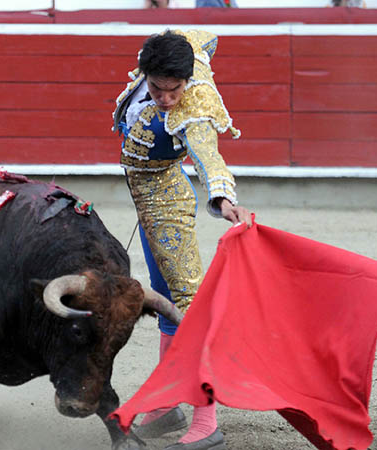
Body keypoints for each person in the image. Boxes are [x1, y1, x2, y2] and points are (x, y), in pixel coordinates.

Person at [113, 30, 252, 450]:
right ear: (146, 72)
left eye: (176, 89)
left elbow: (209, 156)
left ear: (187, 82)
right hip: (146, 201)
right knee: (166, 303)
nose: (167, 98)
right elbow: (204, 37)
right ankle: (167, 400)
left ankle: (206, 420)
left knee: (189, 307)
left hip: (167, 206)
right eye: (158, 88)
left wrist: (224, 199)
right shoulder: (173, 53)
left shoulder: (194, 106)